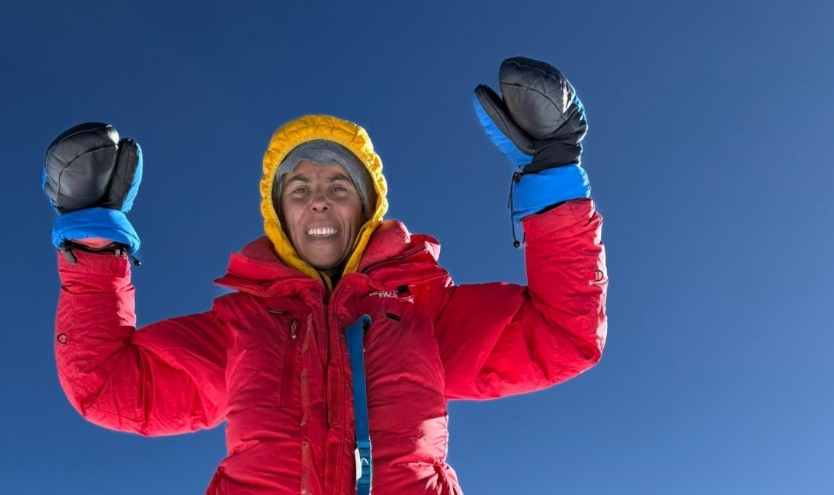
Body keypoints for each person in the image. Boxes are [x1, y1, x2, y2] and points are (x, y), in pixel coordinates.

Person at [43, 57, 607, 495]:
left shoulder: (420, 311)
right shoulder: (241, 326)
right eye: (300, 189)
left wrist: (554, 179)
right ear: (278, 214)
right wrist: (93, 243)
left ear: (366, 209)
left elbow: (563, 331)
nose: (318, 203)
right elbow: (108, 384)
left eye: (339, 188)